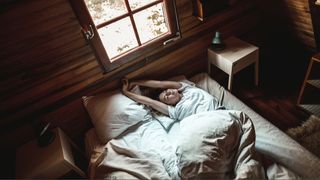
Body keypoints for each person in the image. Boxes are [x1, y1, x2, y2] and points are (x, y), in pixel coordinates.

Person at [122, 78, 223, 121]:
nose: (169, 92)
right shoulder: (175, 110)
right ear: (169, 105)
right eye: (167, 97)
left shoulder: (187, 88)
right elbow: (149, 102)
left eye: (166, 91)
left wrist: (136, 82)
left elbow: (160, 84)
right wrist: (126, 92)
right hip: (207, 121)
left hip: (220, 113)